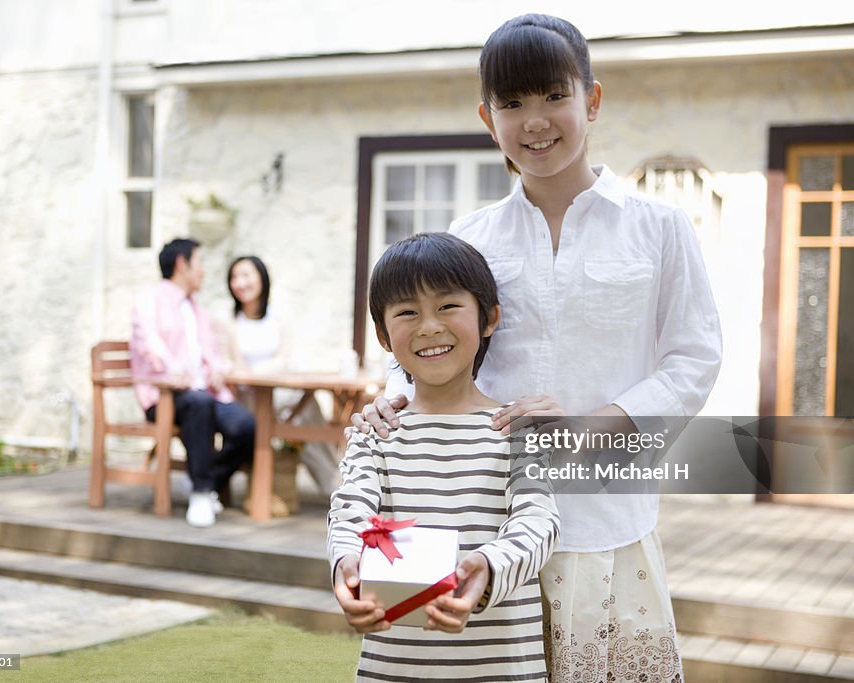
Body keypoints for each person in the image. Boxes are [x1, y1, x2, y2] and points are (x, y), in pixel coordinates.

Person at [352, 14, 722, 682]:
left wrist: (595, 428)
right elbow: (432, 339)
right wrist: (393, 397)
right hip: (483, 522)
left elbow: (694, 358)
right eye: (512, 103)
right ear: (487, 118)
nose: (535, 120)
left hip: (605, 517)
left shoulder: (658, 229)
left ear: (593, 99)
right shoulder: (471, 235)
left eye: (554, 95)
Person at [328, 232, 559, 682]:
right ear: (382, 334)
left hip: (502, 670)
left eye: (448, 306)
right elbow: (349, 510)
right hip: (393, 668)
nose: (429, 326)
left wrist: (488, 566)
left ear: (489, 317)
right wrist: (347, 562)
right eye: (407, 311)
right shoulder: (375, 433)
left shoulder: (518, 430)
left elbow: (540, 521)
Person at [131, 238, 256, 528]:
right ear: (182, 264)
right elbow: (148, 344)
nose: (204, 271)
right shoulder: (149, 301)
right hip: (165, 397)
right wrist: (176, 372)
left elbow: (212, 354)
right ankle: (201, 494)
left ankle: (204, 478)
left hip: (204, 393)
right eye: (199, 263)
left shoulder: (198, 310)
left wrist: (218, 370)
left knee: (248, 426)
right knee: (198, 403)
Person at [226, 255, 339, 493]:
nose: (240, 282)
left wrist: (259, 372)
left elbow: (285, 359)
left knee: (304, 410)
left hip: (277, 396)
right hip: (248, 401)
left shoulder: (277, 316)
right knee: (305, 407)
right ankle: (334, 484)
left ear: (262, 279)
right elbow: (238, 369)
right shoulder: (230, 321)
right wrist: (263, 372)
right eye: (235, 277)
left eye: (246, 275)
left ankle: (334, 482)